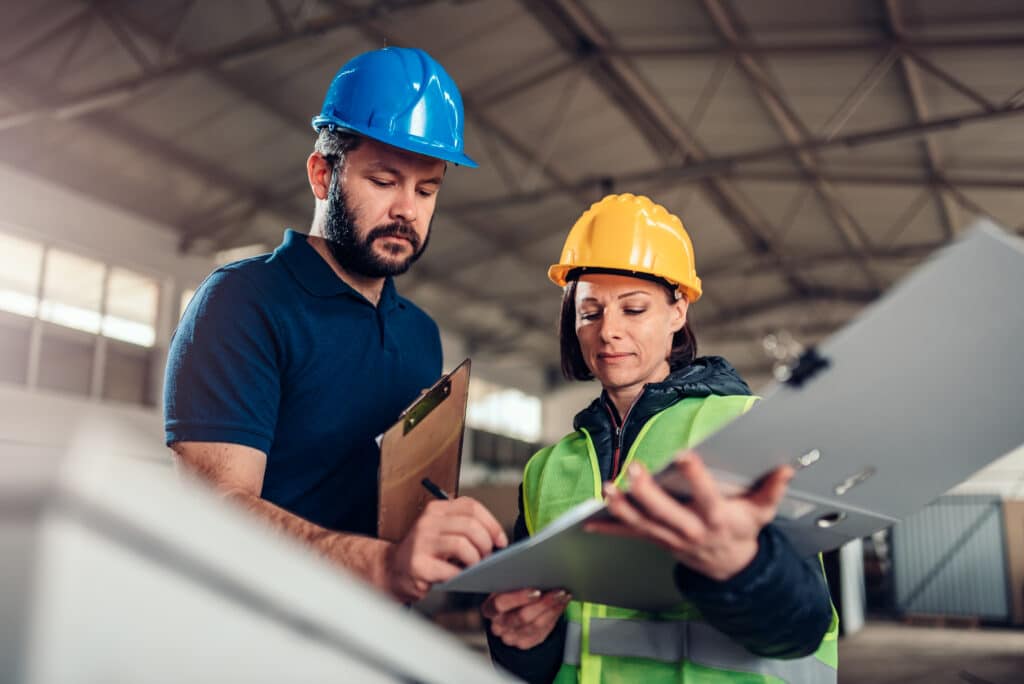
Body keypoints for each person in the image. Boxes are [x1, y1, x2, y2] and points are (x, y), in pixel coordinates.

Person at [164, 47, 506, 604]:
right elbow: (215, 508)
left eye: (427, 189)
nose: (407, 210)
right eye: (384, 180)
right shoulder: (243, 302)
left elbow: (406, 504)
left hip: (370, 634)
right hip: (246, 630)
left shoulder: (420, 334)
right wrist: (383, 565)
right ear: (322, 174)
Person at [482, 194, 838, 683]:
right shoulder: (545, 471)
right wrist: (519, 640)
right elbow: (540, 651)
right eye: (590, 313)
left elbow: (803, 626)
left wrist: (744, 569)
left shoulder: (743, 426)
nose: (609, 332)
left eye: (633, 308)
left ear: (678, 311)